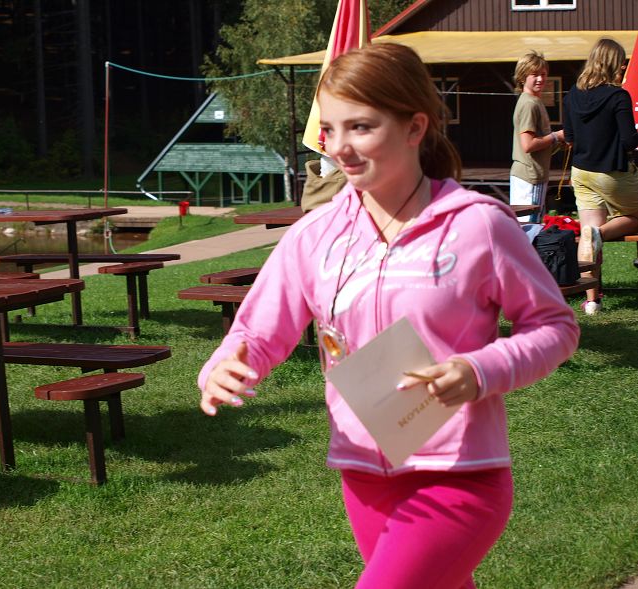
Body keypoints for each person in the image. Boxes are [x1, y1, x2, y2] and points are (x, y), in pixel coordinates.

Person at [198, 42, 579, 588]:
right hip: (363, 473)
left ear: (414, 127)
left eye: (361, 127)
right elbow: (256, 332)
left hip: (458, 475)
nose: (340, 148)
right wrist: (225, 366)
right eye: (330, 129)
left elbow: (555, 327)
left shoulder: (478, 226)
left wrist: (479, 370)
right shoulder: (314, 236)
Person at [563, 37, 638, 315]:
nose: (623, 67)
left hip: (582, 173)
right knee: (603, 230)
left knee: (587, 233)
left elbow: (569, 136)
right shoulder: (618, 96)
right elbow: (629, 141)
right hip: (611, 173)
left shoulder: (572, 94)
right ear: (612, 63)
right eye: (621, 62)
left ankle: (592, 302)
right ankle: (601, 233)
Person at [509, 50, 566, 223]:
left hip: (532, 174)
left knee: (531, 226)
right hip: (530, 176)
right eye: (534, 75)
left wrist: (560, 142)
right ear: (522, 77)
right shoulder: (529, 103)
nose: (540, 79)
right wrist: (556, 136)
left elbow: (539, 144)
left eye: (543, 74)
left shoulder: (533, 101)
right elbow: (528, 145)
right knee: (529, 228)